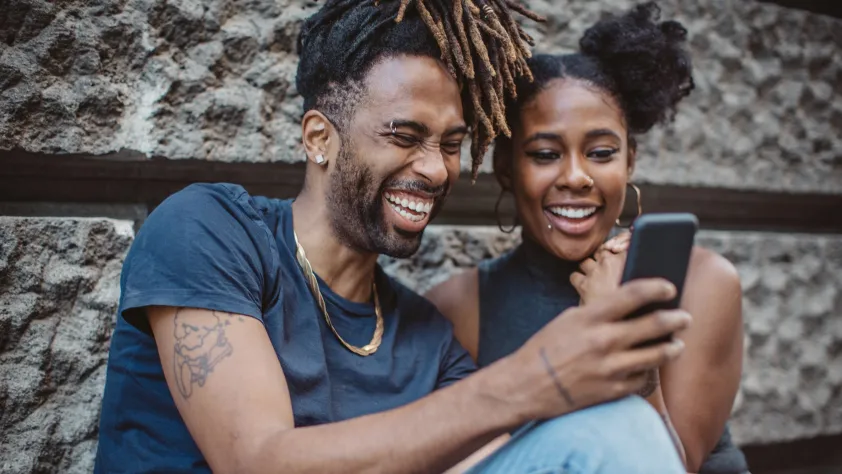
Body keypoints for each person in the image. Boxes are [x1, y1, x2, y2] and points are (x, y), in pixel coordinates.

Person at [94, 1, 691, 472]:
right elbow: (255, 461)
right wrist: (535, 378)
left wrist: (629, 358)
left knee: (616, 431)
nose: (435, 169)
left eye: (451, 144)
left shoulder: (429, 342)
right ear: (319, 138)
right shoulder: (211, 231)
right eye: (405, 136)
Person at [427, 3, 748, 473]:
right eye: (544, 154)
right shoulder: (462, 308)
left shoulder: (701, 283)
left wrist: (624, 333)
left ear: (629, 161)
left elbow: (668, 465)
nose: (575, 177)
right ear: (505, 169)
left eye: (600, 152)